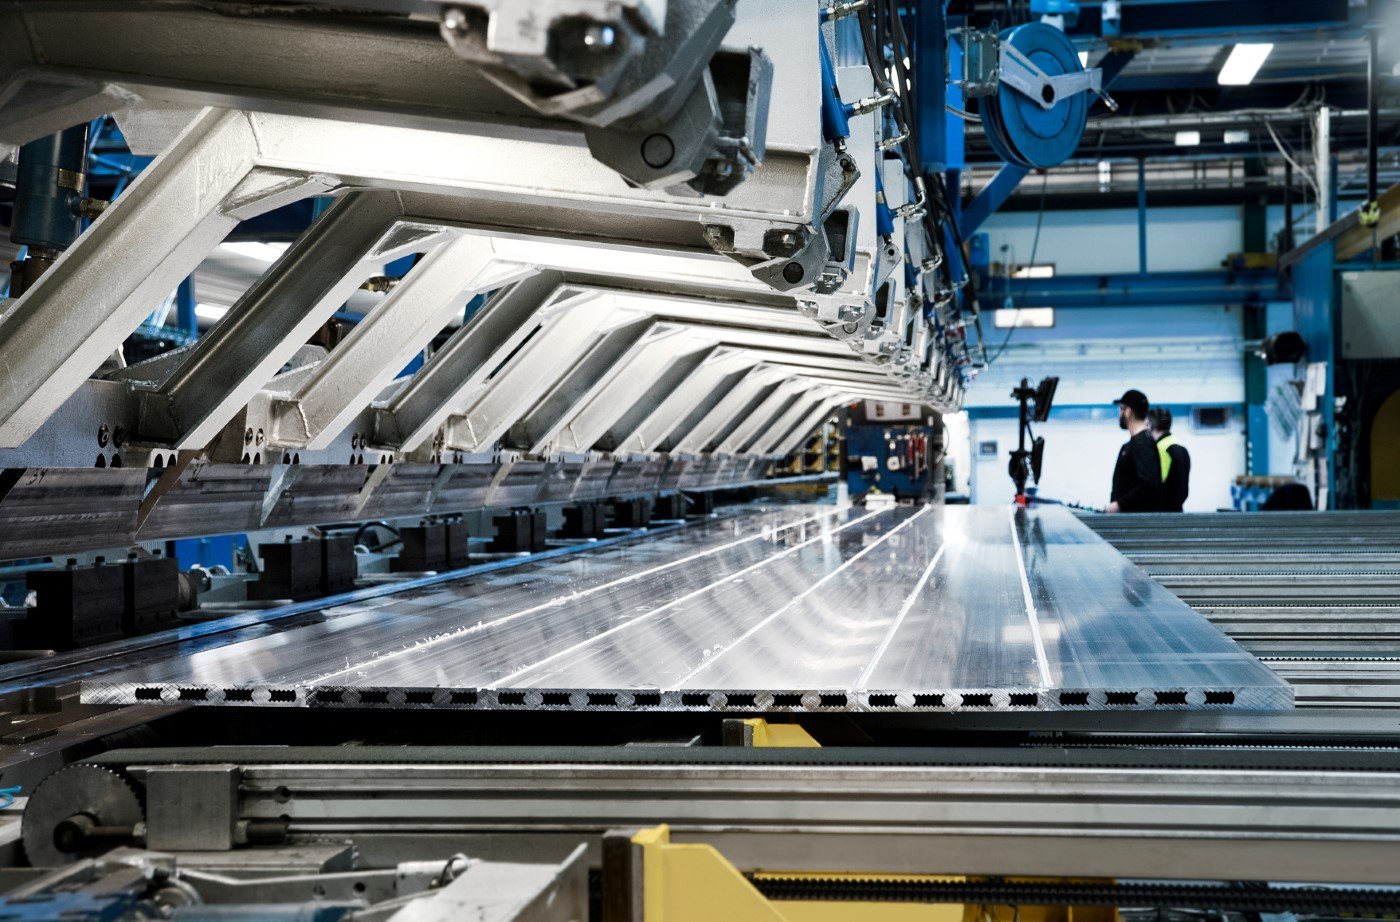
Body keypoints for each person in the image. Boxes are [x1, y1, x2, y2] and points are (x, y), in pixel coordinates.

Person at [1106, 389, 1162, 513]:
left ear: (1128, 411)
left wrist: (1118, 505)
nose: (1119, 413)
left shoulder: (1142, 444)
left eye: (1121, 409)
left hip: (1134, 523)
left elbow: (1148, 485)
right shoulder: (1133, 444)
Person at [1147, 407, 1191, 512]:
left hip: (1162, 512)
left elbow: (1156, 485)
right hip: (1178, 511)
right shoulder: (1182, 447)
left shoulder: (1158, 448)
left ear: (1150, 425)